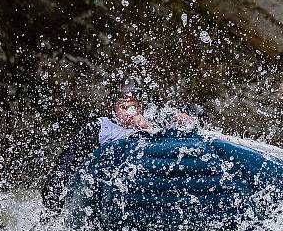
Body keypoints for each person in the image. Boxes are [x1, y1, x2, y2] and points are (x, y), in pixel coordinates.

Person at [41, 83, 200, 216]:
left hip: (146, 188)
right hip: (108, 190)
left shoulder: (153, 123)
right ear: (115, 108)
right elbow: (68, 162)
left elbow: (182, 124)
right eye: (123, 107)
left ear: (141, 108)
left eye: (134, 107)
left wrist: (154, 126)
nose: (129, 113)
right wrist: (54, 190)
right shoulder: (99, 128)